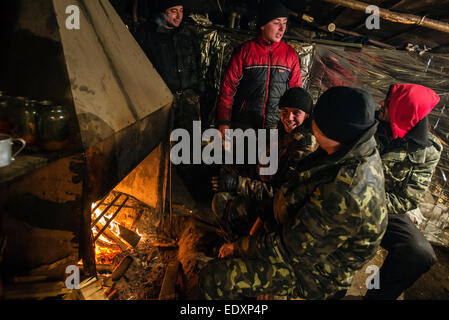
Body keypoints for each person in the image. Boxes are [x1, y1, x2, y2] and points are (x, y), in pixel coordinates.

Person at [199, 87, 388, 300]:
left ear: (327, 130)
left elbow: (290, 249)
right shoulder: (352, 149)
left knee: (214, 279)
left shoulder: (344, 192)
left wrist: (239, 248)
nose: (292, 119)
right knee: (235, 212)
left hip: (315, 274)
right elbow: (290, 191)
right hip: (301, 237)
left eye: (312, 118)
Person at [365, 83, 442, 300]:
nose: (381, 104)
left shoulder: (427, 150)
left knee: (419, 253)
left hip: (386, 208)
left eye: (389, 103)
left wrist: (370, 202)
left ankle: (377, 296)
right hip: (348, 198)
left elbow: (408, 198)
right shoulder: (369, 123)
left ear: (404, 111)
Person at [211, 87, 318, 235]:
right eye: (285, 112)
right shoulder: (282, 131)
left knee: (223, 202)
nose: (289, 118)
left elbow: (279, 195)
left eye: (296, 113)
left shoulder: (304, 146)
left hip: (274, 207)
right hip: (264, 190)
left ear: (306, 115)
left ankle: (239, 244)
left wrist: (238, 183)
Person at [216, 1, 302, 138]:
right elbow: (227, 88)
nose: (282, 28)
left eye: (284, 22)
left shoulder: (290, 54)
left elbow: (296, 94)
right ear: (262, 25)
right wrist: (223, 121)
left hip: (275, 127)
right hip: (244, 125)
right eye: (276, 22)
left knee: (268, 160)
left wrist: (295, 124)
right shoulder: (244, 51)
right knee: (242, 159)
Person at [136, 0, 203, 130]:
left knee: (188, 146)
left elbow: (197, 64)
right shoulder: (148, 35)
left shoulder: (188, 36)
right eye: (174, 11)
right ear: (163, 11)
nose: (179, 16)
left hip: (187, 102)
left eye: (181, 10)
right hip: (160, 102)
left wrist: (197, 91)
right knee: (161, 144)